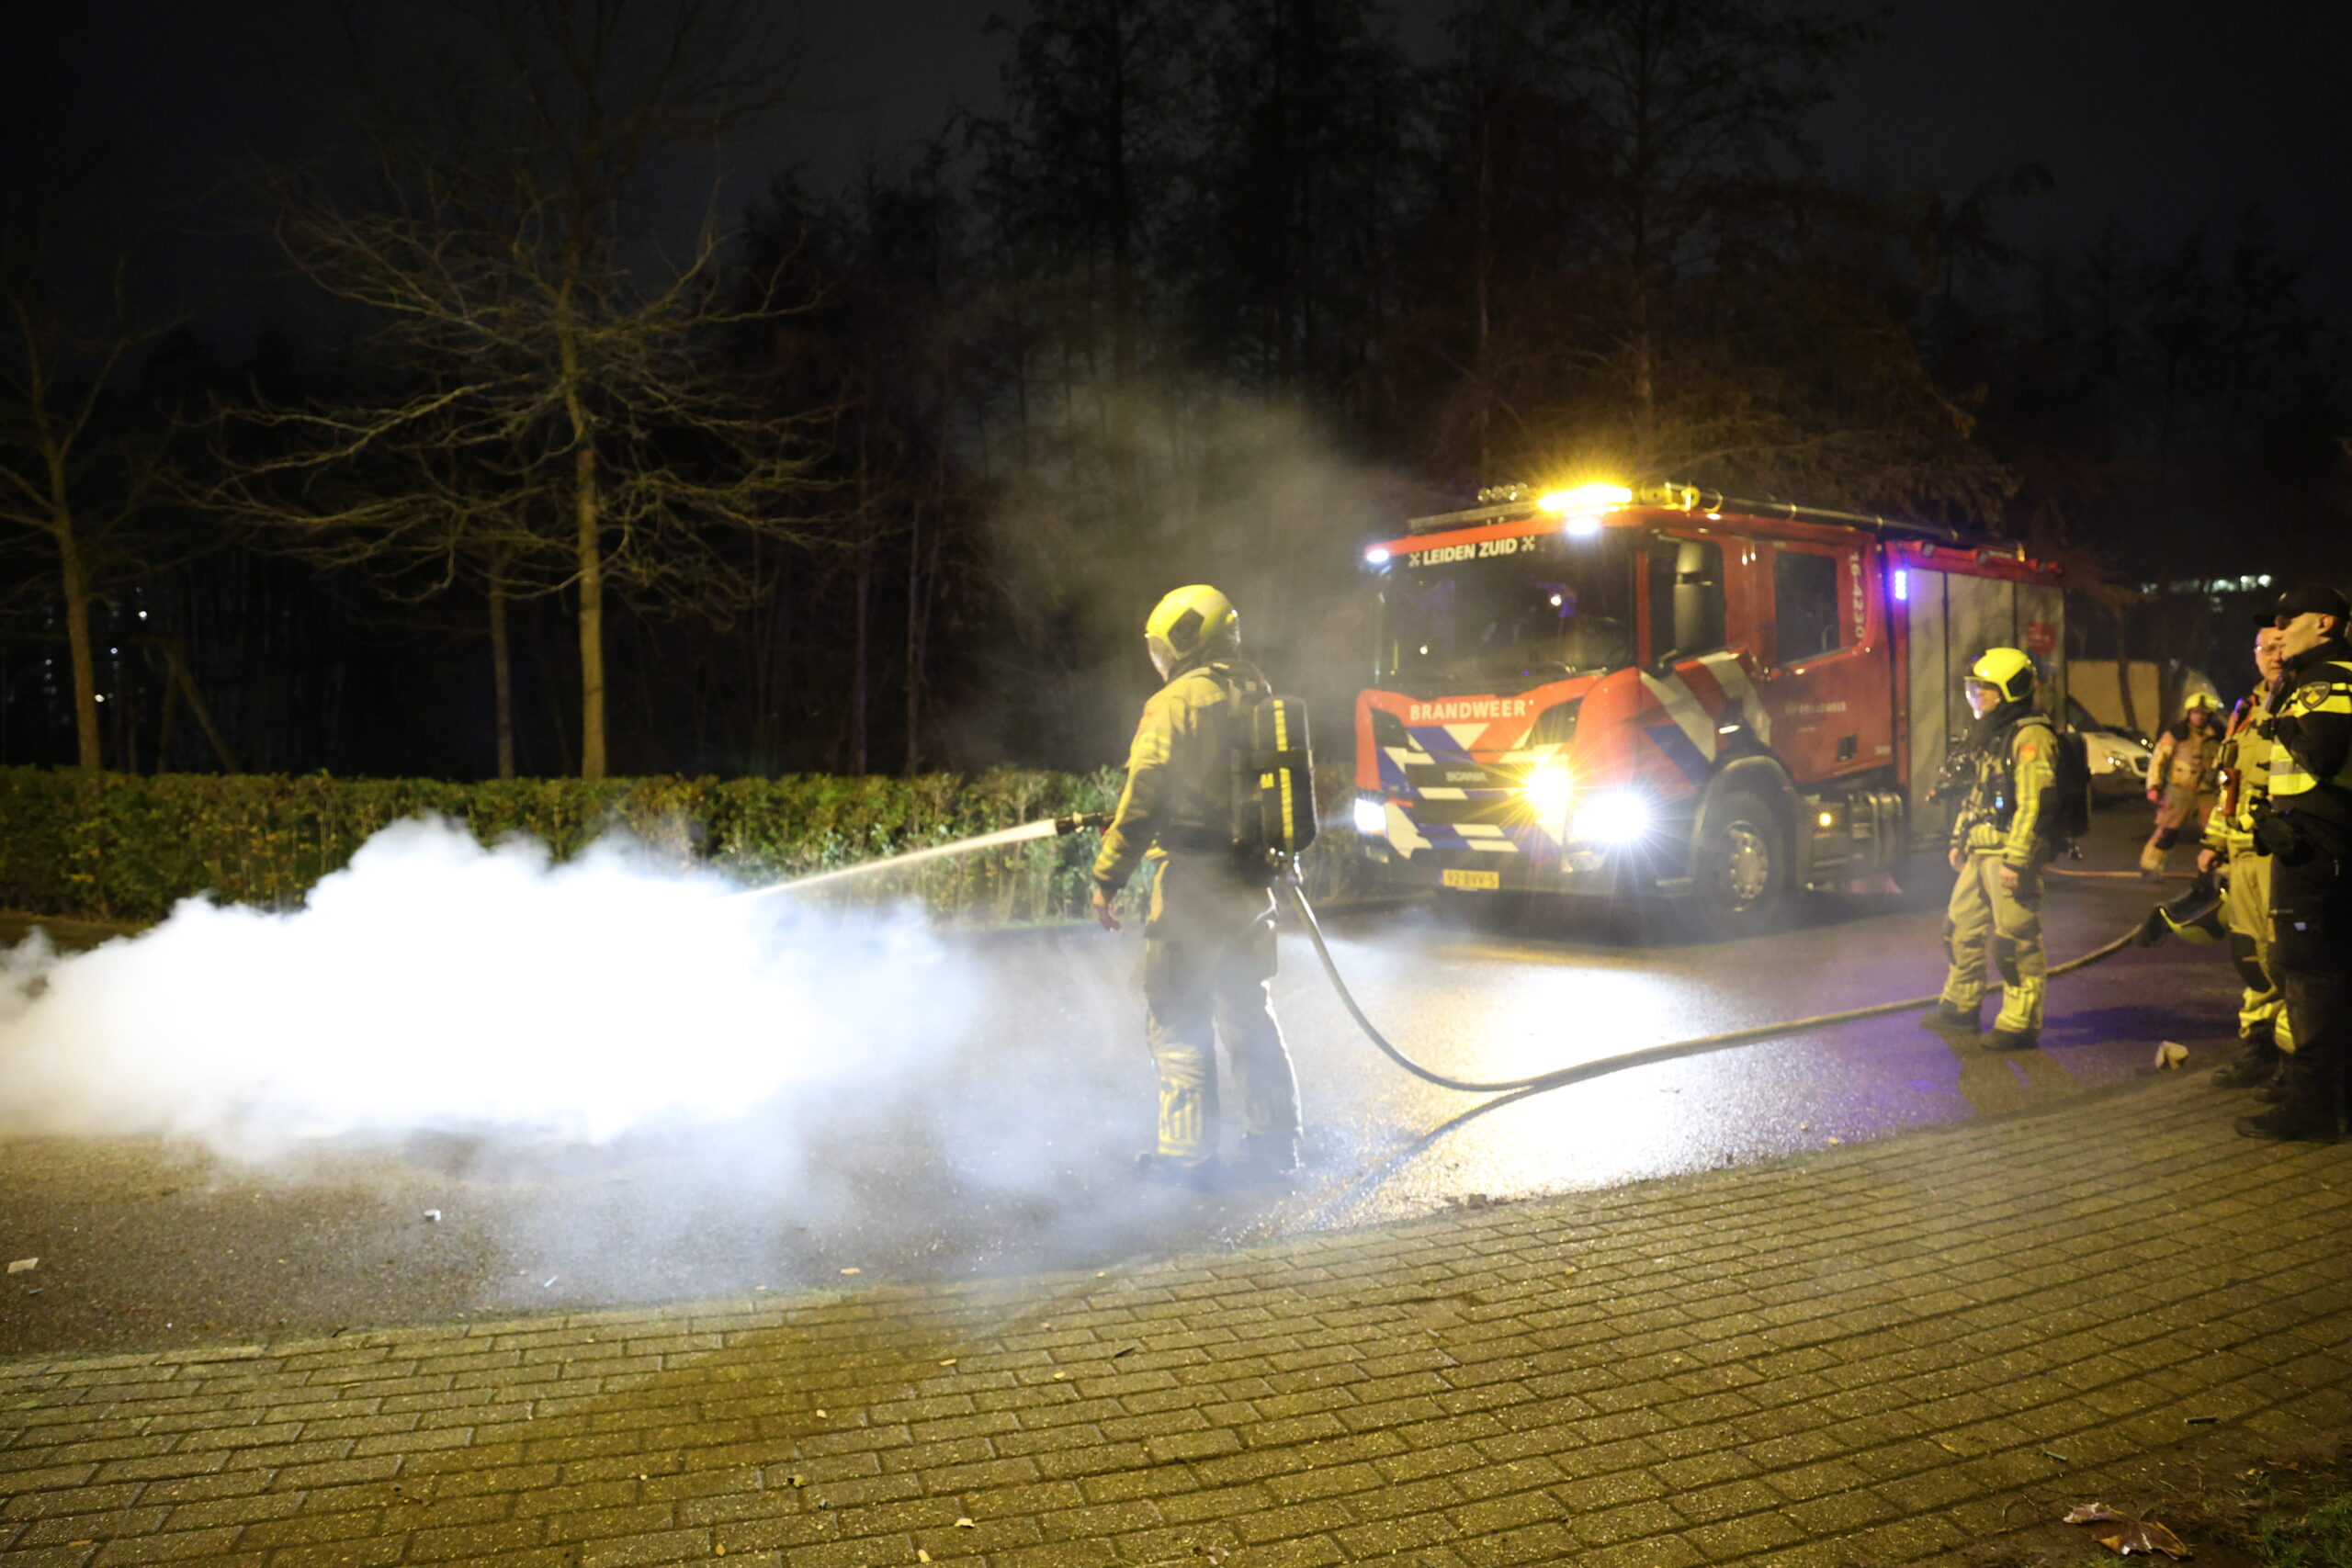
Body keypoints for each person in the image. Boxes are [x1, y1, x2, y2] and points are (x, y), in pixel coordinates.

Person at [1091, 585, 1302, 1187]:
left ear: (1184, 639)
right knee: (1247, 1013)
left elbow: (1145, 797)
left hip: (1194, 885)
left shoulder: (1174, 702)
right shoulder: (1257, 691)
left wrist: (1107, 876)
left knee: (1177, 1015)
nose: (1159, 657)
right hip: (1252, 883)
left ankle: (1185, 1162)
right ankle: (1275, 1145)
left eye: (1162, 646)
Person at [2236, 584, 2352, 1142]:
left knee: (2310, 976)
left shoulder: (2326, 679)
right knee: (2312, 972)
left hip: (2317, 854)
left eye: (2288, 620)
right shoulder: (2314, 678)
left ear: (2324, 623)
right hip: (2312, 848)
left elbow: (2322, 756)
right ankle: (2323, 1098)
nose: (2278, 632)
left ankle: (2312, 1108)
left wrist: (2279, 720)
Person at [1922, 648, 2057, 1053]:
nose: (1978, 698)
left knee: (2015, 942)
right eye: (1975, 689)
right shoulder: (1991, 736)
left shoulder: (2030, 737)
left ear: (2010, 691)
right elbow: (1978, 795)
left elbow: (2035, 805)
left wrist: (2018, 859)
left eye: (1986, 690)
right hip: (1981, 852)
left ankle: (2020, 1022)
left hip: (2007, 855)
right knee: (1959, 928)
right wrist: (1959, 839)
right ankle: (1961, 1005)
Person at [2202, 624, 2294, 1089]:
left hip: (2280, 856)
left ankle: (2296, 1063)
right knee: (2249, 955)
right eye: (2266, 648)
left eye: (2282, 646)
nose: (2275, 655)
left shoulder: (2304, 702)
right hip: (2241, 854)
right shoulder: (2246, 707)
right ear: (2255, 654)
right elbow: (2229, 783)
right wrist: (2213, 842)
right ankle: (2260, 1046)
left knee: (2285, 958)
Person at [2141, 692, 2225, 877]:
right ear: (2189, 713)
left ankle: (2217, 872)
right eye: (2195, 712)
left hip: (2207, 792)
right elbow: (2158, 760)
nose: (2199, 716)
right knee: (2167, 831)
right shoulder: (2177, 734)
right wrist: (2153, 786)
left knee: (2214, 835)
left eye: (2203, 713)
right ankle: (2151, 866)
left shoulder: (2219, 736)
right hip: (2179, 790)